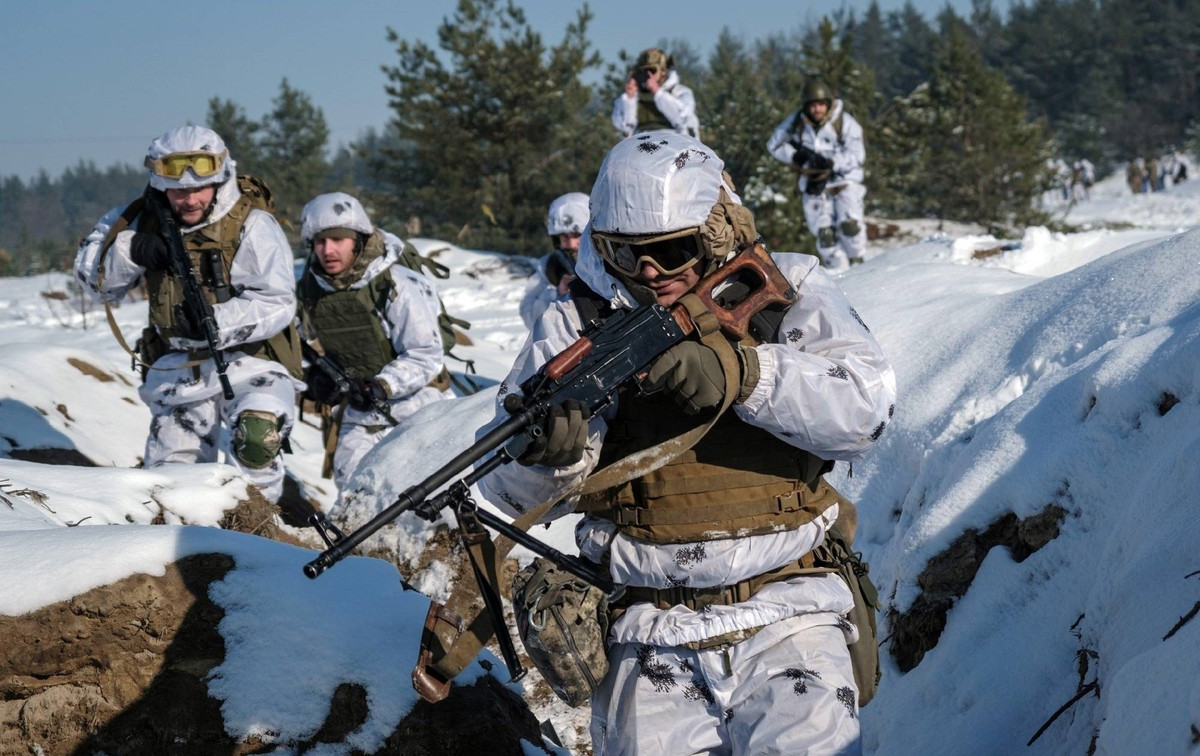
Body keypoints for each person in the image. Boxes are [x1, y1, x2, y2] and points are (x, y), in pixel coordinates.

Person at [479, 132, 896, 755]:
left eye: (671, 252)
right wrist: (553, 455)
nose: (649, 273)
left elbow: (867, 409)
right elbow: (505, 487)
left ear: (712, 231)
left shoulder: (786, 286)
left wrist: (748, 375)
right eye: (627, 254)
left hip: (791, 606)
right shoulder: (575, 322)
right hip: (647, 626)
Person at [74, 126, 303, 504]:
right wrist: (131, 251)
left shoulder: (252, 223)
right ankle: (187, 553)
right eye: (179, 191)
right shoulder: (137, 219)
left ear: (220, 178)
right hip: (179, 366)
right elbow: (91, 279)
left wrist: (217, 322)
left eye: (200, 188)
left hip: (252, 362)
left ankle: (260, 540)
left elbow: (277, 301)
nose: (190, 199)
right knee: (172, 486)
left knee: (257, 442)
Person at [296, 192, 451, 488]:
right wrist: (314, 379)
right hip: (359, 410)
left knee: (429, 492)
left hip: (421, 405)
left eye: (337, 240)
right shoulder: (309, 292)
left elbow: (426, 354)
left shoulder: (397, 284)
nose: (328, 250)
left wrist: (383, 385)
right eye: (320, 242)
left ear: (357, 240)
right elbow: (302, 347)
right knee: (354, 494)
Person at [767, 78, 868, 271]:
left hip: (844, 181)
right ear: (806, 107)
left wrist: (832, 162)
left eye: (821, 105)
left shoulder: (844, 122)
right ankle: (840, 273)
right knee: (825, 235)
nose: (817, 110)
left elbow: (857, 154)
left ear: (828, 104)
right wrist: (795, 156)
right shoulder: (797, 122)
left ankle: (859, 266)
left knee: (850, 227)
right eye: (812, 106)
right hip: (814, 184)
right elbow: (773, 144)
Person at [519, 192, 590, 330]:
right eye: (564, 237)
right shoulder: (550, 267)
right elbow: (529, 314)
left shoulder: (606, 260)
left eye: (577, 236)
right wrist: (558, 294)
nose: (571, 244)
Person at [611, 47, 699, 139]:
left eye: (652, 70)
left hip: (676, 147)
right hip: (643, 147)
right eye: (643, 71)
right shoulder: (634, 98)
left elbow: (682, 117)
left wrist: (657, 92)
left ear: (663, 72)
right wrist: (629, 99)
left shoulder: (681, 92)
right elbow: (625, 127)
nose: (648, 75)